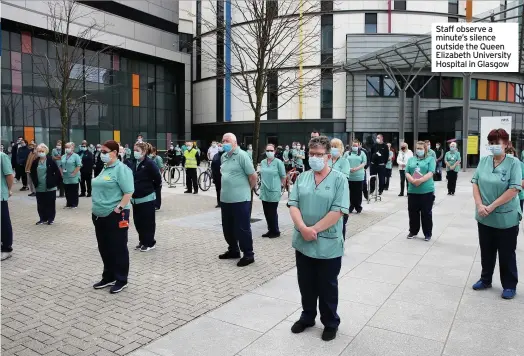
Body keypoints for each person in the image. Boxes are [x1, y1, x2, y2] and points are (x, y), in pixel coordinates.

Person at [288, 135, 349, 342]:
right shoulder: (303, 177)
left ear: (328, 157)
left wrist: (313, 229)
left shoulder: (339, 179)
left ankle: (330, 321)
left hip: (328, 243)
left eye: (319, 154)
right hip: (303, 242)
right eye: (311, 154)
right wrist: (303, 228)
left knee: (327, 285)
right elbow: (293, 204)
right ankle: (307, 317)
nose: (314, 158)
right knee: (306, 283)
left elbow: (338, 210)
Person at [471, 129, 520, 300]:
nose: (494, 146)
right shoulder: (484, 161)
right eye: (491, 143)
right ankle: (485, 279)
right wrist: (479, 205)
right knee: (486, 250)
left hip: (505, 217)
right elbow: (475, 182)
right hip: (484, 215)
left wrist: (490, 206)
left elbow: (514, 189)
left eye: (497, 142)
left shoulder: (514, 163)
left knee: (507, 252)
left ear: (506, 144)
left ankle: (509, 285)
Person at [91, 140, 134, 294]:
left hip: (114, 215)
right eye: (101, 151)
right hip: (99, 215)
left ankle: (121, 279)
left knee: (118, 247)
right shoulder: (104, 168)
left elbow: (128, 192)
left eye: (105, 151)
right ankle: (108, 276)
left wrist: (118, 208)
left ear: (115, 153)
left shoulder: (122, 169)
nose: (101, 154)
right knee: (104, 247)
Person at [219, 133, 257, 267]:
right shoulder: (223, 156)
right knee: (228, 228)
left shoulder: (242, 156)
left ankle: (248, 254)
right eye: (223, 141)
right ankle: (233, 250)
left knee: (242, 228)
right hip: (225, 199)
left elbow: (253, 176)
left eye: (227, 141)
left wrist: (247, 190)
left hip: (240, 200)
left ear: (235, 142)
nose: (224, 143)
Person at [130, 142, 162, 252]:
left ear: (143, 152)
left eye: (137, 150)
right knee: (138, 222)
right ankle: (142, 241)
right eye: (134, 150)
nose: (135, 152)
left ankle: (149, 242)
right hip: (135, 199)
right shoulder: (134, 163)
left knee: (147, 222)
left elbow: (157, 179)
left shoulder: (150, 163)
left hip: (147, 198)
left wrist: (150, 188)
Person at [405, 141, 436, 241]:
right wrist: (412, 180)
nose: (419, 150)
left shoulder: (430, 159)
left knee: (426, 213)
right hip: (412, 190)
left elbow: (431, 172)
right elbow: (407, 172)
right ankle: (413, 231)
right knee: (412, 212)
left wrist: (420, 180)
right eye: (417, 148)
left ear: (425, 149)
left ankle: (427, 233)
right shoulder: (411, 159)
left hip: (426, 191)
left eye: (421, 148)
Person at [260, 144, 286, 238]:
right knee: (266, 212)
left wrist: (282, 187)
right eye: (267, 150)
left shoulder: (278, 162)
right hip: (264, 191)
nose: (269, 152)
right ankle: (270, 229)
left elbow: (283, 176)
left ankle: (275, 231)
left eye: (271, 150)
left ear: (274, 151)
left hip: (274, 190)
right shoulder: (263, 162)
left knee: (272, 212)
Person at [31, 144, 60, 225]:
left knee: (50, 203)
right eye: (39, 151)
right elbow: (32, 173)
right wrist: (35, 182)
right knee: (41, 204)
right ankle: (42, 218)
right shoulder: (35, 162)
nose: (41, 153)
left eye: (42, 151)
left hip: (50, 187)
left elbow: (57, 172)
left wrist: (54, 182)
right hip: (39, 186)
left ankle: (51, 219)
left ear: (46, 151)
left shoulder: (51, 160)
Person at [328, 138, 350, 239]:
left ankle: (341, 243)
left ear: (340, 148)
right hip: (328, 194)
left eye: (335, 147)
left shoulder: (344, 161)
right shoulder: (326, 160)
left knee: (341, 222)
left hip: (340, 194)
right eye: (331, 147)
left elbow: (344, 177)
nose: (333, 149)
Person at [347, 139, 367, 215]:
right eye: (353, 145)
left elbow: (364, 163)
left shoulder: (362, 153)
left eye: (356, 145)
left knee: (358, 193)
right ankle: (351, 206)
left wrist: (356, 168)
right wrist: (349, 169)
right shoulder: (347, 153)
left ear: (359, 146)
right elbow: (344, 162)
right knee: (351, 192)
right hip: (349, 176)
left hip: (359, 176)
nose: (354, 147)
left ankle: (358, 207)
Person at [1, 151, 14, 261]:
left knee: (3, 222)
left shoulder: (2, 156)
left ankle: (6, 248)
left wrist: (8, 189)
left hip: (0, 195)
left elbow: (9, 175)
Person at [61, 142, 82, 209]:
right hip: (65, 176)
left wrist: (74, 173)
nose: (67, 149)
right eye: (66, 147)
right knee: (67, 191)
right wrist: (61, 173)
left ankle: (74, 204)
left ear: (72, 148)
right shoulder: (63, 156)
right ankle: (68, 203)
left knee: (74, 191)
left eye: (68, 147)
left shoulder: (76, 156)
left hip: (74, 176)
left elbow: (79, 165)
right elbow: (61, 165)